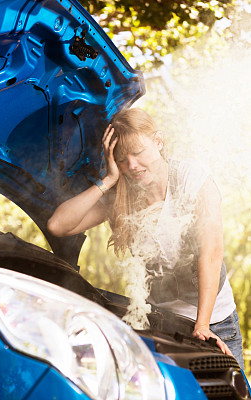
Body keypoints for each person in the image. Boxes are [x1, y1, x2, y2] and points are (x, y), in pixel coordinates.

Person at [47, 107, 244, 369]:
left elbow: (211, 253)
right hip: (163, 324)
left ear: (158, 142)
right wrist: (108, 179)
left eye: (138, 153)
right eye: (122, 159)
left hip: (215, 322)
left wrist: (203, 325)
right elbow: (58, 225)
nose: (132, 165)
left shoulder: (190, 178)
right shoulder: (122, 196)